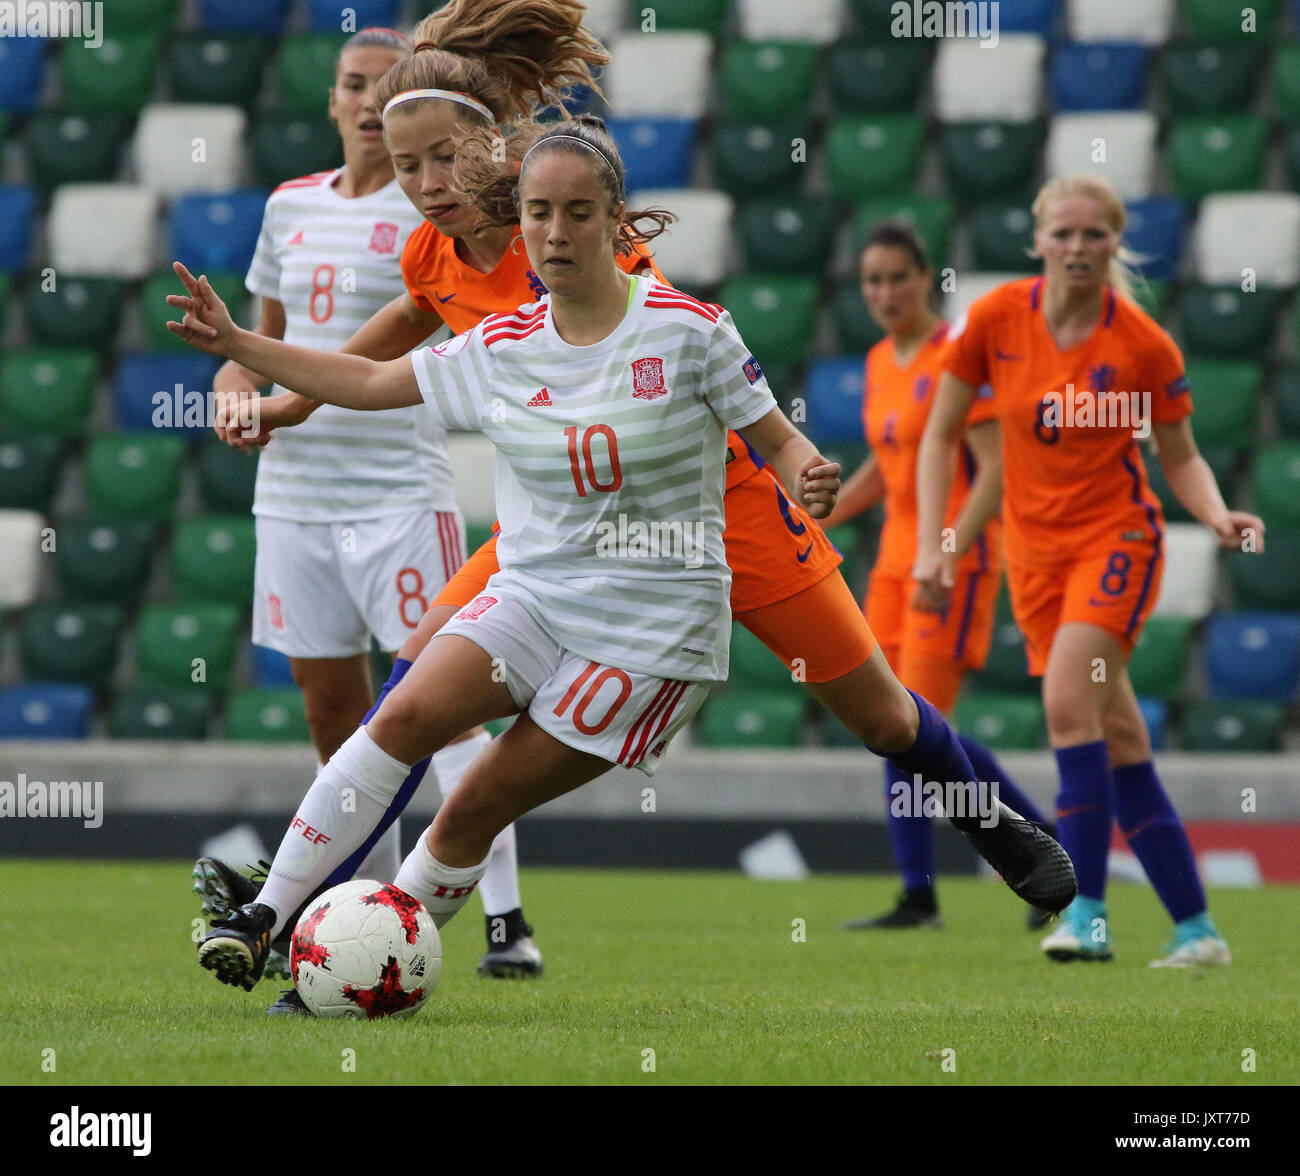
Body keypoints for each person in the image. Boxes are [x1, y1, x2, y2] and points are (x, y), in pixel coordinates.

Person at [173, 118, 1077, 998]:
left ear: (616, 220)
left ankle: (992, 823)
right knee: (409, 697)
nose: (429, 180)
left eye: (574, 212)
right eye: (535, 212)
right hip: (544, 571)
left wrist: (807, 466)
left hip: (691, 562)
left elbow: (774, 437)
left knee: (880, 716)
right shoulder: (480, 318)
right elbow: (372, 378)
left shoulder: (685, 328)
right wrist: (242, 349)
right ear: (514, 215)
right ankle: (275, 919)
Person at [194, 1, 607, 991]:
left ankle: (503, 918)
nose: (372, 115)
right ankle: (346, 919)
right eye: (354, 89)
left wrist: (286, 389)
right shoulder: (295, 205)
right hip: (296, 497)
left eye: (390, 101)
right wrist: (245, 391)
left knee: (437, 708)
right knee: (341, 715)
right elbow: (283, 332)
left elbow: (399, 358)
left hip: (401, 493)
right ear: (338, 103)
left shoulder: (456, 210)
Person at [915, 173, 1263, 967]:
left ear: (1115, 243)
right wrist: (940, 544)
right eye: (1063, 234)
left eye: (1094, 235)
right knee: (1119, 736)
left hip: (1117, 544)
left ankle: (1086, 915)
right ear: (1038, 241)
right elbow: (941, 435)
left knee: (1069, 706)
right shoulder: (996, 320)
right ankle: (1198, 930)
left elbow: (1181, 457)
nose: (1077, 248)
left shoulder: (1143, 344)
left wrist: (1215, 515)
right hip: (1033, 558)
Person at [824, 223, 1052, 932]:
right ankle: (924, 892)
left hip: (951, 563)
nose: (886, 292)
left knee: (915, 722)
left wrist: (948, 551)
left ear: (928, 279)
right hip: (895, 562)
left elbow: (997, 467)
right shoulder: (880, 359)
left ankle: (1037, 846)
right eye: (873, 281)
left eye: (899, 277)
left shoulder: (958, 355)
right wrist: (821, 516)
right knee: (891, 726)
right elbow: (888, 465)